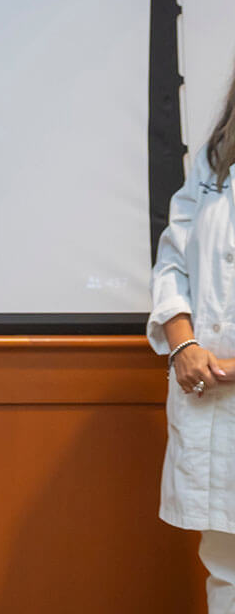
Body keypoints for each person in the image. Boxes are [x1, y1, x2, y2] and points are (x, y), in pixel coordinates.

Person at [149, 60, 235, 612]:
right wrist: (183, 344)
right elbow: (174, 257)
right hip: (214, 402)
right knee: (226, 572)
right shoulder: (217, 159)